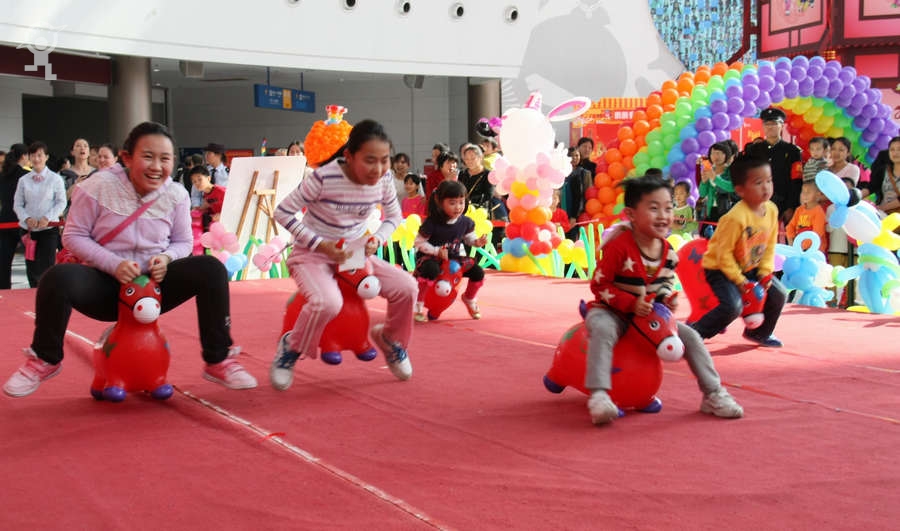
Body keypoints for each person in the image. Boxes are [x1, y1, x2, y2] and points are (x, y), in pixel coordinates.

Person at [2, 122, 258, 398]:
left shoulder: (176, 194)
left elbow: (183, 242)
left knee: (211, 269)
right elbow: (73, 236)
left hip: (154, 287)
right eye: (148, 156)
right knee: (56, 278)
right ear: (126, 157)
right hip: (105, 287)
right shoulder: (96, 187)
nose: (157, 166)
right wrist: (113, 264)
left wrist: (166, 257)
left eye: (165, 159)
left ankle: (218, 358)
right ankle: (45, 358)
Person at [584, 174, 743, 425]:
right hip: (612, 311)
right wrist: (630, 303)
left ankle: (713, 393)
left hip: (648, 317)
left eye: (668, 208)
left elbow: (664, 284)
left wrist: (666, 300)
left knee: (691, 336)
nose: (663, 215)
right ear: (631, 214)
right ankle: (599, 395)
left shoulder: (668, 252)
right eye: (654, 208)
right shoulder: (618, 246)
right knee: (602, 328)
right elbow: (599, 284)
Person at [270, 119, 416, 390]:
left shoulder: (384, 179)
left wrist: (377, 238)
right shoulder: (323, 178)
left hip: (355, 255)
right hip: (312, 255)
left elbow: (394, 216)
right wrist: (319, 244)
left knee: (407, 287)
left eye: (385, 160)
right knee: (328, 302)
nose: (378, 169)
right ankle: (290, 347)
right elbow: (282, 212)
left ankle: (391, 340)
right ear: (349, 156)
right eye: (370, 160)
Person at [689, 156, 787, 347]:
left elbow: (769, 245)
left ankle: (759, 332)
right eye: (758, 183)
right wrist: (740, 281)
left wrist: (765, 272)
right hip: (721, 269)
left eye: (769, 181)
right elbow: (723, 255)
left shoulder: (772, 210)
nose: (766, 187)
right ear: (740, 190)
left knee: (779, 294)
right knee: (733, 307)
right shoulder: (735, 218)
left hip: (751, 266)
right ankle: (695, 332)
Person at [413, 180, 487, 322]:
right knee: (431, 270)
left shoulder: (465, 222)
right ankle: (418, 305)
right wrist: (436, 251)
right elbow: (419, 242)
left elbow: (469, 237)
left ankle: (469, 298)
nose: (458, 207)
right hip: (431, 258)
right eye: (452, 203)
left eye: (461, 202)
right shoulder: (432, 223)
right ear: (440, 202)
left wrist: (476, 242)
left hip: (454, 259)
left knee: (478, 272)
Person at [14, 141, 67, 288]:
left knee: (47, 265)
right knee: (31, 266)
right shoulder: (23, 180)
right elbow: (17, 204)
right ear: (29, 157)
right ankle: (33, 293)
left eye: (40, 155)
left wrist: (47, 218)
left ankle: (47, 293)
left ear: (46, 157)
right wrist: (26, 218)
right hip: (29, 230)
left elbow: (61, 202)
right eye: (33, 155)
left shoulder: (55, 179)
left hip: (48, 230)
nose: (36, 159)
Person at [756, 107, 802, 226]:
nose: (770, 127)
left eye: (774, 124)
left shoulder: (792, 151)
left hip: (784, 202)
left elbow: (796, 181)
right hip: (759, 202)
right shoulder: (754, 150)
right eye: (766, 124)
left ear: (781, 126)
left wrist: (791, 206)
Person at [0, 143, 29, 289]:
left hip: (4, 220)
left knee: (4, 262)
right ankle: (35, 288)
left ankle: (3, 290)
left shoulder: (3, 175)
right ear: (24, 156)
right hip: (23, 221)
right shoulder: (26, 175)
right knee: (32, 260)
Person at [697, 141, 737, 237]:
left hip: (727, 210)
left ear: (726, 155)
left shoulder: (731, 170)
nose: (715, 156)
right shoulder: (709, 170)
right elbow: (702, 193)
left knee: (724, 237)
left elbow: (732, 187)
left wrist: (715, 178)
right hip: (711, 210)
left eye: (718, 153)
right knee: (706, 237)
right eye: (712, 153)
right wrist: (704, 182)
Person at [786, 181, 827, 253]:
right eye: (803, 192)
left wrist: (802, 246)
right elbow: (790, 227)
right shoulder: (799, 210)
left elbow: (817, 233)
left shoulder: (819, 212)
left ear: (818, 194)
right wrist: (791, 242)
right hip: (799, 248)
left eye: (808, 192)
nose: (805, 194)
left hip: (815, 250)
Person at [190, 166, 226, 231]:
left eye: (200, 179)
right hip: (217, 225)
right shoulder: (206, 194)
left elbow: (235, 208)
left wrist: (222, 215)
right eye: (194, 181)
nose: (197, 183)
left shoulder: (222, 191)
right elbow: (207, 206)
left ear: (208, 178)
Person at [874, 136, 900, 216]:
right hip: (882, 214)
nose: (895, 153)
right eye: (892, 150)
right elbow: (872, 186)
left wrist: (880, 208)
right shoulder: (885, 170)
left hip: (894, 218)